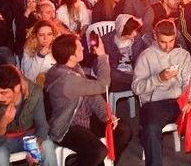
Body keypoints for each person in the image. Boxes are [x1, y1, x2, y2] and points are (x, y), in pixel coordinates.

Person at [44, 34, 131, 166]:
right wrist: (102, 57)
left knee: (122, 130)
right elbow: (103, 86)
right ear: (71, 56)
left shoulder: (74, 68)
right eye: (79, 48)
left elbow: (93, 96)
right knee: (97, 151)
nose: (84, 48)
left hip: (84, 119)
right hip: (67, 127)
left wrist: (106, 116)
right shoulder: (67, 80)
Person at [132, 20, 191, 166]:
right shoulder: (146, 56)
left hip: (180, 101)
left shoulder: (183, 55)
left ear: (176, 36)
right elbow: (136, 87)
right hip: (155, 104)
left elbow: (189, 82)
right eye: (163, 42)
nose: (168, 46)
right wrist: (158, 78)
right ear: (155, 36)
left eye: (171, 41)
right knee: (151, 127)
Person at [0, 64, 57, 166]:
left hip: (29, 135)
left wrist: (36, 144)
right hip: (5, 139)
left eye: (3, 93)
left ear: (17, 88)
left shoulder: (34, 93)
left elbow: (42, 125)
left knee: (47, 146)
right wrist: (3, 124)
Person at [104, 14, 148, 92]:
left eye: (136, 30)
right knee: (109, 72)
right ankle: (136, 80)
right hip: (117, 79)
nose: (135, 33)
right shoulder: (107, 41)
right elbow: (102, 66)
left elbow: (147, 51)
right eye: (132, 31)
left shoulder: (136, 39)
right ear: (123, 30)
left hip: (134, 72)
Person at [20, 20, 57, 86]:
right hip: (36, 89)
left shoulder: (57, 47)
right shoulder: (29, 49)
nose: (46, 38)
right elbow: (29, 78)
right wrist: (40, 56)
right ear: (35, 36)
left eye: (49, 34)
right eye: (41, 35)